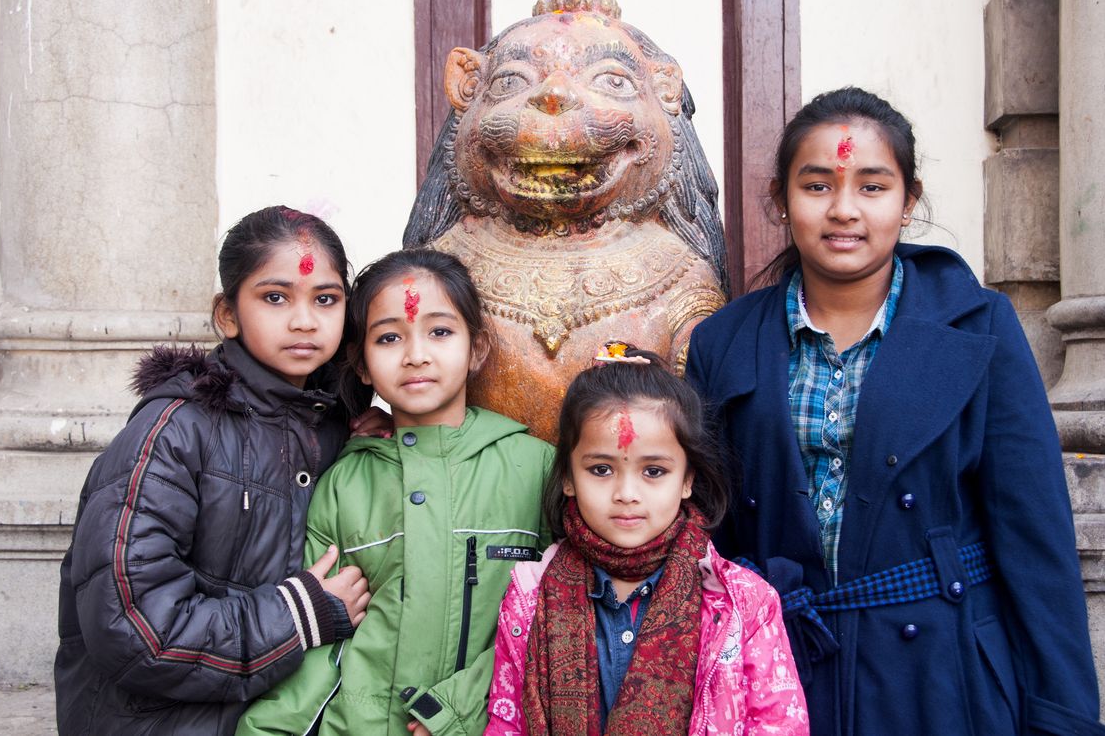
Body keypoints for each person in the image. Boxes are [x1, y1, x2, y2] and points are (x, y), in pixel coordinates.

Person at [685, 87, 1105, 736]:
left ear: (909, 202)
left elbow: (1034, 537)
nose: (844, 210)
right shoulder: (724, 342)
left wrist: (1063, 715)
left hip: (943, 674)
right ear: (780, 198)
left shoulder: (978, 329)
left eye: (873, 186)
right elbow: (712, 540)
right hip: (782, 678)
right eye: (818, 185)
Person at [56, 206, 380, 735]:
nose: (304, 320)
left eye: (326, 299)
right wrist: (297, 616)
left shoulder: (334, 424)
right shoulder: (173, 433)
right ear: (227, 315)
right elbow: (136, 629)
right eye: (275, 298)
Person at [236, 248, 555, 736]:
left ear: (477, 348)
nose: (416, 355)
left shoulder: (535, 470)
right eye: (388, 338)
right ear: (362, 364)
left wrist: (460, 710)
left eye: (440, 332)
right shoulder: (344, 483)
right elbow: (317, 648)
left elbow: (559, 620)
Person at [484, 343, 809, 736]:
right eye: (601, 469)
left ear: (688, 479)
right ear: (568, 477)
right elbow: (507, 725)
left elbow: (779, 726)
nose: (626, 493)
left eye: (653, 471)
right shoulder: (529, 599)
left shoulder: (743, 605)